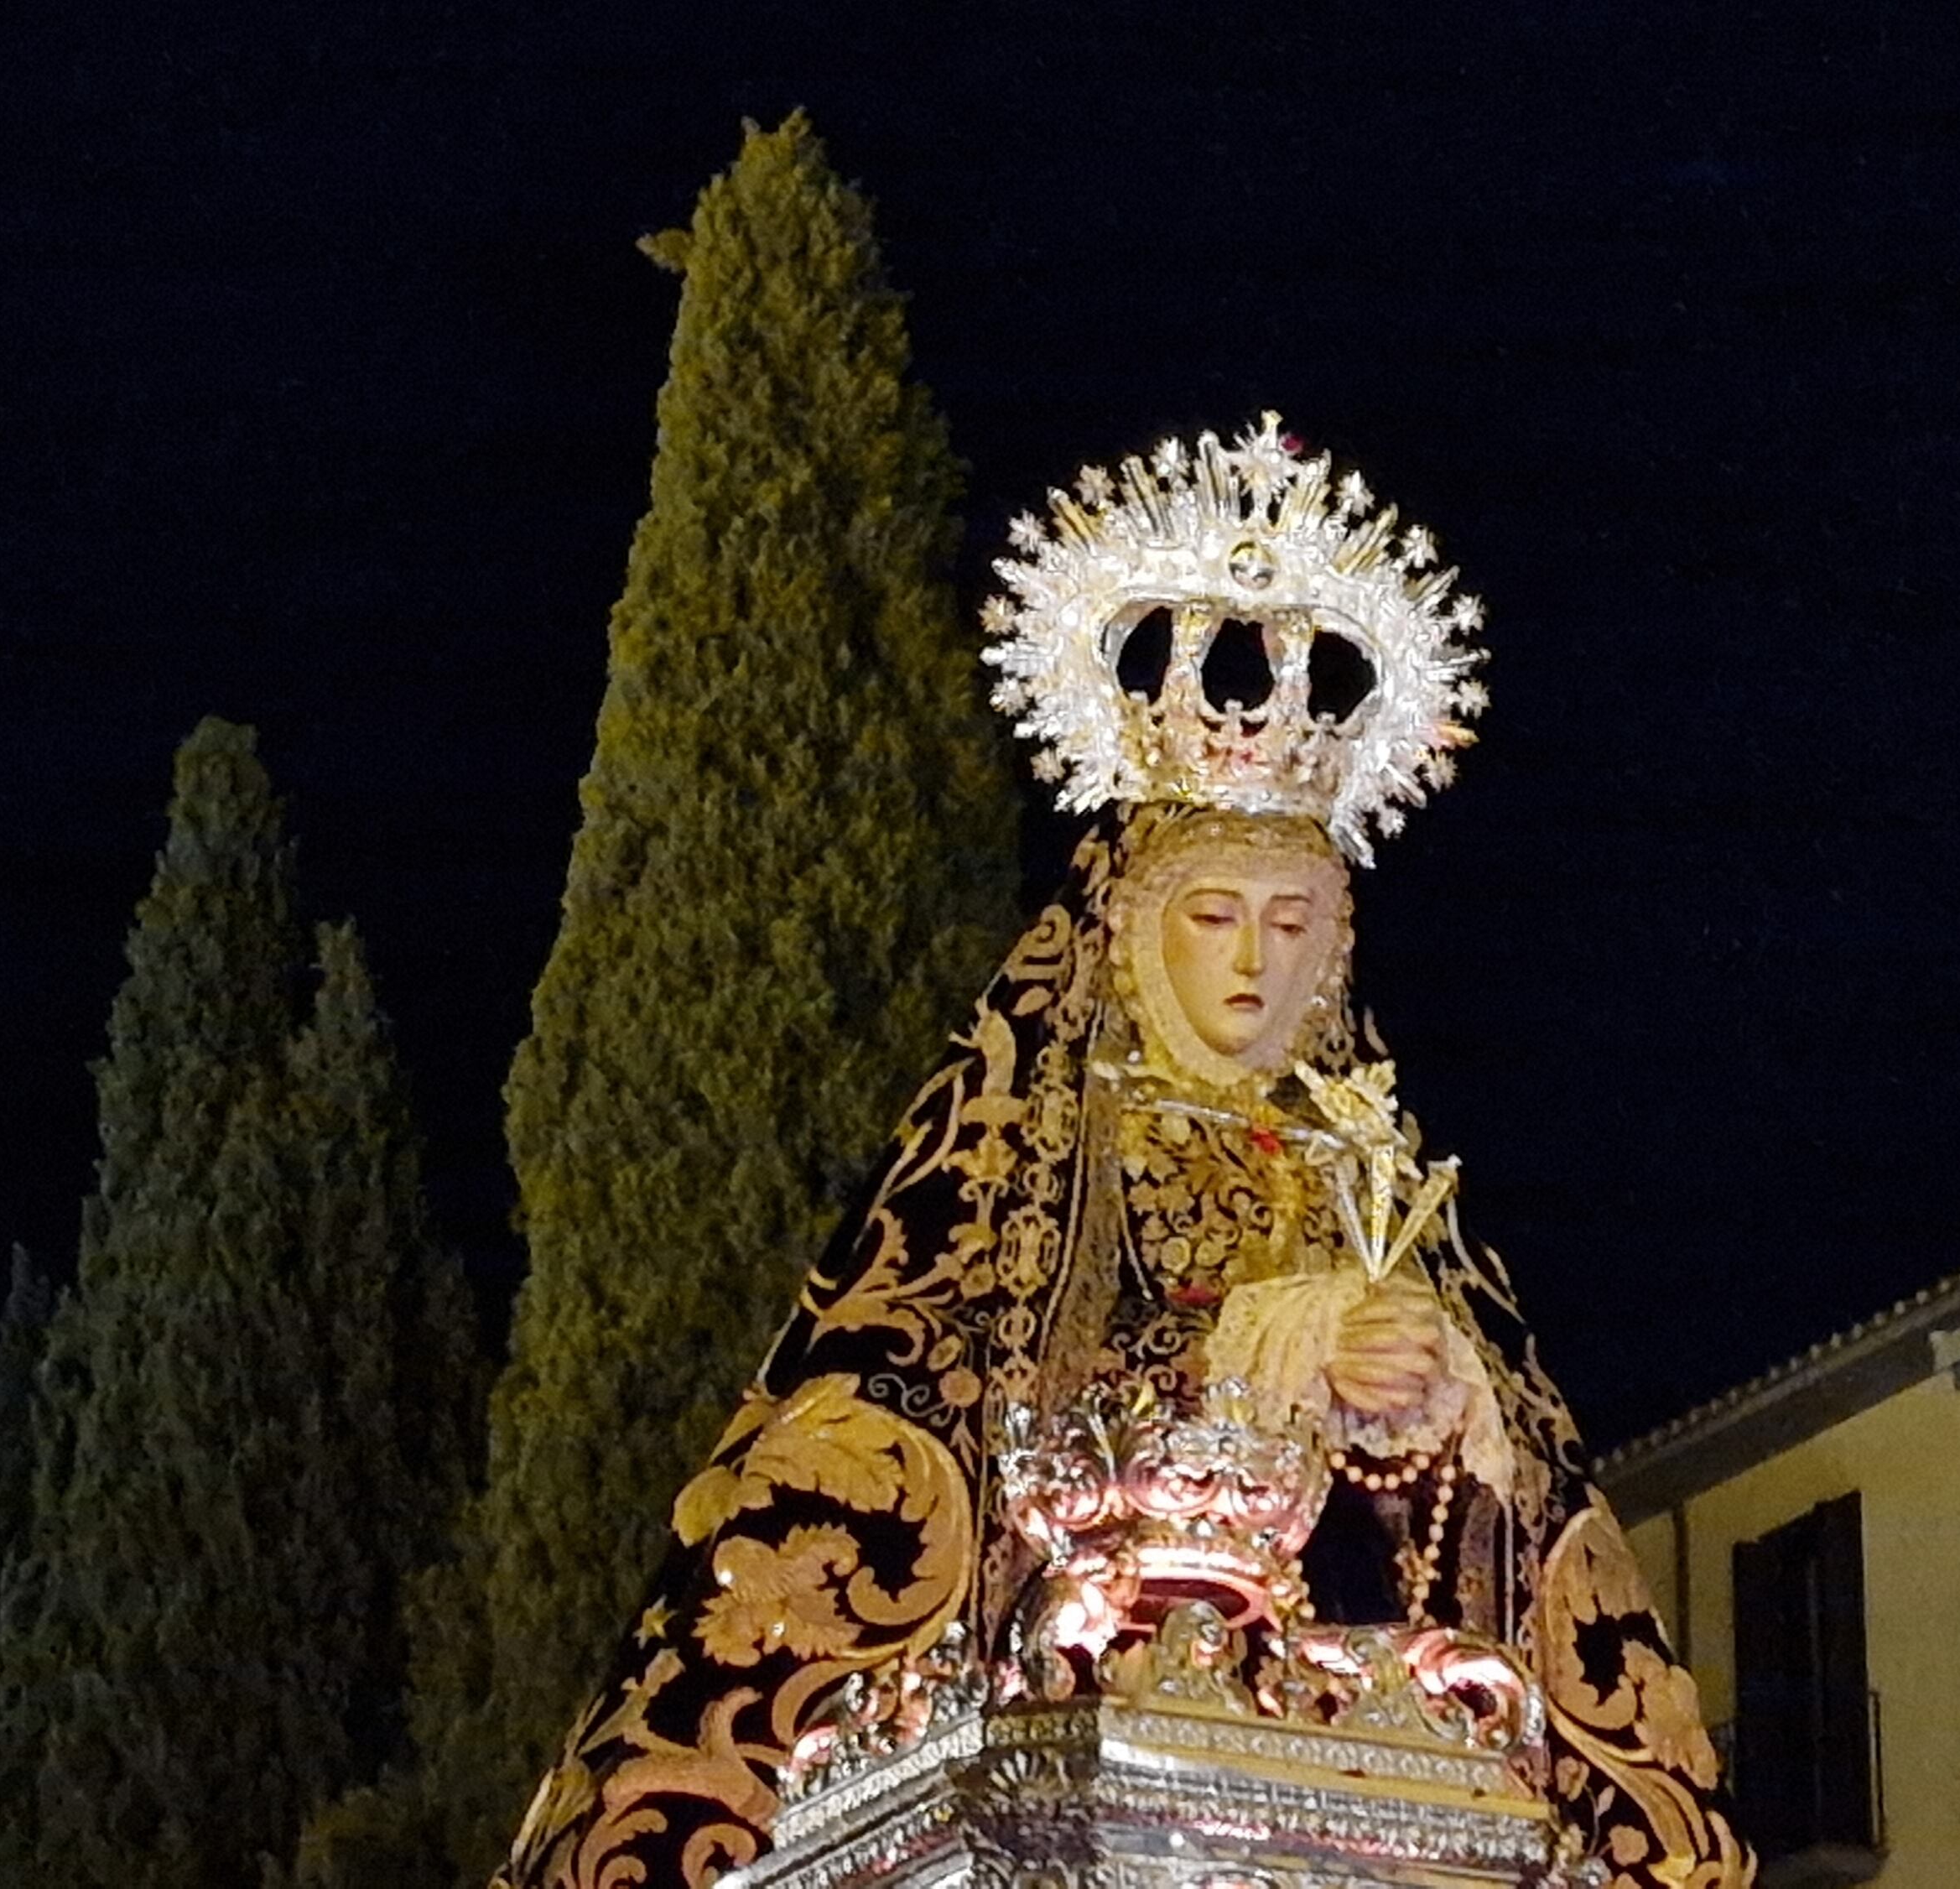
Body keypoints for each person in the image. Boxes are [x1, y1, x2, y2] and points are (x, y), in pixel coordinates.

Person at [495, 418, 1746, 1889]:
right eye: (1212, 918)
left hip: (1337, 1761)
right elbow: (972, 1418)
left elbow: (1508, 1551)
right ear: (1131, 932)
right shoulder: (1017, 1166)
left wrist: (1431, 1400)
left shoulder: (1371, 1178)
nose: (1251, 968)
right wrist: (1265, 1353)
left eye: (1293, 931)